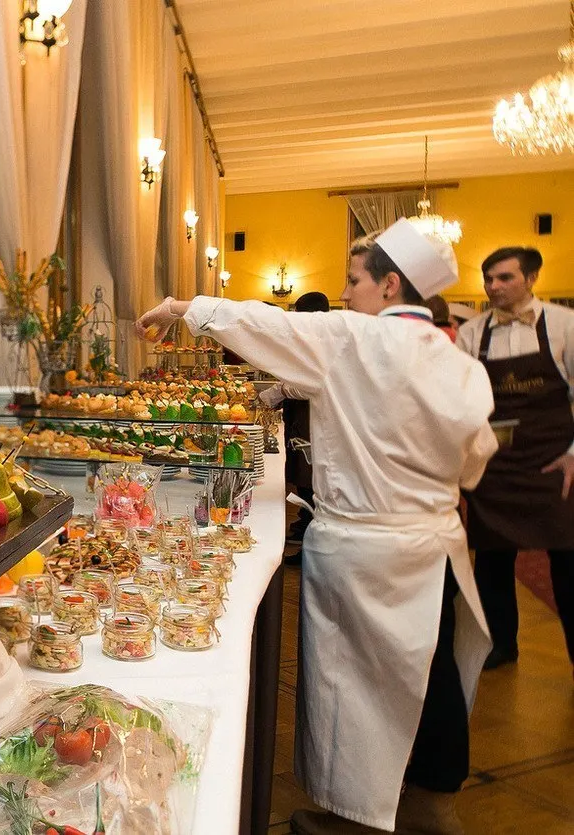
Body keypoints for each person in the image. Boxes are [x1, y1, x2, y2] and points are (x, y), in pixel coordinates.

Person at [137, 219, 496, 835]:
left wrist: (180, 308)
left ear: (389, 285)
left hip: (359, 548)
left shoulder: (350, 337)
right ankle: (433, 801)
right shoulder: (458, 362)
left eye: (354, 280)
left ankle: (354, 817)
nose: (346, 292)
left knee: (350, 690)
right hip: (430, 545)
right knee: (428, 672)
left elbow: (263, 323)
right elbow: (475, 460)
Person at [456, 247, 574, 671]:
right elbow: (462, 400)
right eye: (488, 279)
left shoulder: (565, 324)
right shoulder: (472, 333)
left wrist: (573, 456)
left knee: (568, 561)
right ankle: (501, 644)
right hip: (496, 464)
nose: (493, 287)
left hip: (553, 462)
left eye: (504, 277)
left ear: (532, 277)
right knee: (492, 560)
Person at [258, 291, 330, 567]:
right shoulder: (315, 339)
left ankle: (310, 544)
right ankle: (303, 524)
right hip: (303, 416)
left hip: (313, 417)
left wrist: (279, 391)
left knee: (311, 478)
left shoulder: (322, 342)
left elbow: (309, 384)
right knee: (302, 475)